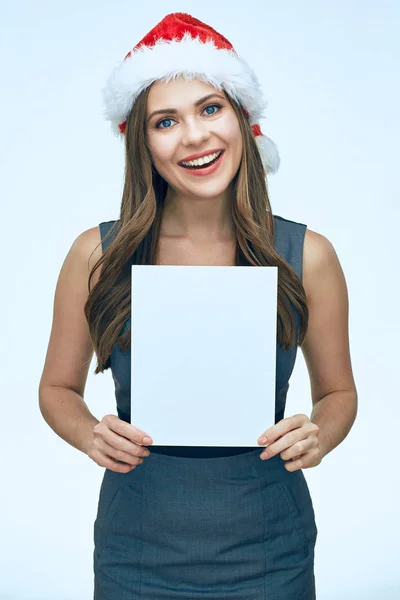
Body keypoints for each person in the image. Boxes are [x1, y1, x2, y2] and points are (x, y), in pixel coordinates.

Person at [38, 11, 358, 600]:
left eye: (210, 109)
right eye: (166, 121)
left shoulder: (308, 254)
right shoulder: (97, 253)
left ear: (244, 121)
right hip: (136, 547)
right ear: (142, 142)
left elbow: (339, 394)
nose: (194, 136)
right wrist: (89, 434)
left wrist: (319, 434)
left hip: (270, 548)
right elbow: (56, 389)